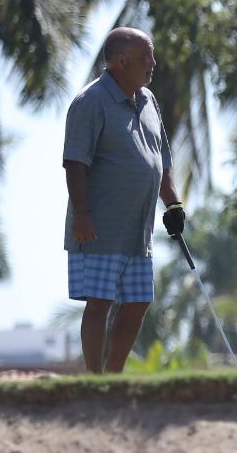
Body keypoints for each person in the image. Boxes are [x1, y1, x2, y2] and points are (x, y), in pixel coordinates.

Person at [62, 27, 185, 373]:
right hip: (99, 226)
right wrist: (82, 214)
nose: (153, 63)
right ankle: (94, 378)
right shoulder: (91, 101)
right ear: (121, 61)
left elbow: (161, 162)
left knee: (139, 301)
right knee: (99, 301)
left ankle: (113, 376)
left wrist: (173, 205)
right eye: (146, 57)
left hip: (138, 230)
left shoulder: (148, 100)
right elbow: (75, 162)